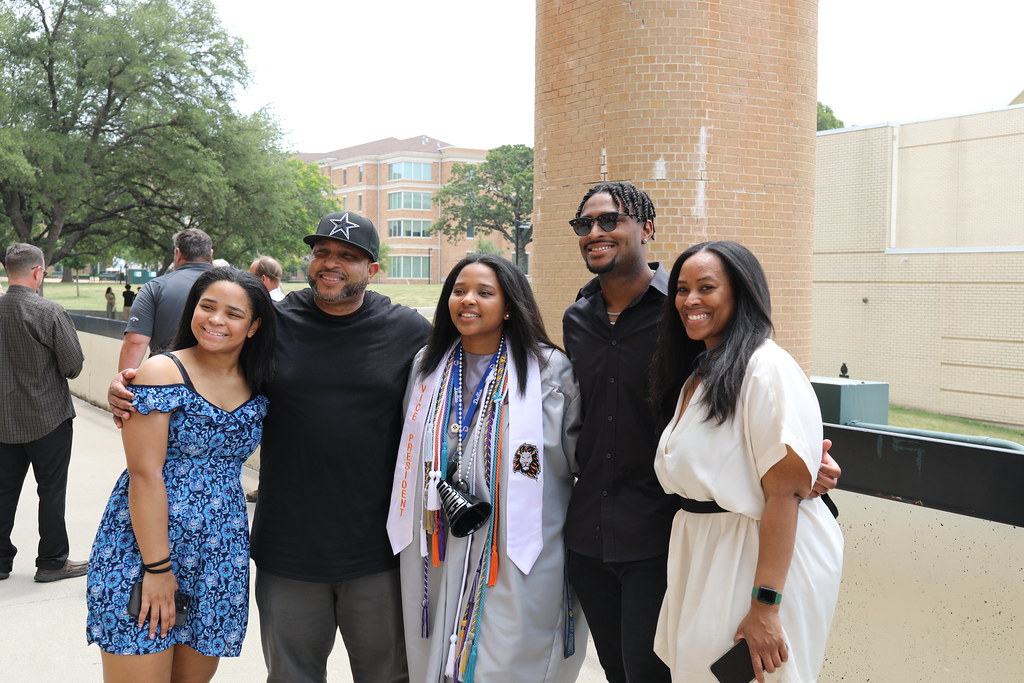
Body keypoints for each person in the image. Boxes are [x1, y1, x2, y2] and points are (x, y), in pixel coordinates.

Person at [110, 212, 431, 683]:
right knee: (290, 676)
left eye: (347, 256)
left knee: (387, 676)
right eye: (321, 252)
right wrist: (131, 383)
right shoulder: (274, 323)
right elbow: (204, 363)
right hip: (288, 545)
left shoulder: (409, 329)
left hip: (377, 548)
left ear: (373, 269)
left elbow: (462, 381)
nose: (331, 263)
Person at [561, 182, 841, 683]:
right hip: (604, 534)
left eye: (610, 220)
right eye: (585, 223)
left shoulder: (711, 337)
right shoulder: (584, 321)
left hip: (670, 534)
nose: (595, 231)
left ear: (646, 228)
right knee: (629, 670)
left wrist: (805, 469)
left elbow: (776, 442)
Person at [386, 254, 586, 682]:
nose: (467, 300)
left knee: (510, 653)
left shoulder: (548, 371)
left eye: (484, 292)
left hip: (518, 543)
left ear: (510, 305)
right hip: (440, 539)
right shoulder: (427, 366)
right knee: (436, 651)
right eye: (458, 291)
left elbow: (576, 459)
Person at [649, 242, 843, 682]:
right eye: (682, 289)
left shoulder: (765, 369)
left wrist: (765, 607)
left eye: (706, 287)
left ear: (741, 294)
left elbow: (786, 494)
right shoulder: (702, 372)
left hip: (754, 557)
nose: (690, 300)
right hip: (707, 551)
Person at [87, 267, 276, 681]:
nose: (215, 320)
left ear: (254, 326)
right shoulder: (161, 373)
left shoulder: (261, 381)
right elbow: (145, 474)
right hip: (145, 548)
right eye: (207, 307)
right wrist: (158, 570)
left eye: (233, 313)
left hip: (218, 553)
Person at [0, 243, 87, 583]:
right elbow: (73, 366)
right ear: (38, 272)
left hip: (3, 420)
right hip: (47, 417)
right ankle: (52, 561)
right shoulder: (49, 312)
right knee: (50, 490)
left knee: (3, 490)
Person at [120, 228, 214, 370]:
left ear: (178, 253)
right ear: (210, 254)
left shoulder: (154, 287)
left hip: (165, 373)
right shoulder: (233, 287)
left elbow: (136, 341)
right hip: (218, 375)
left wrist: (124, 379)